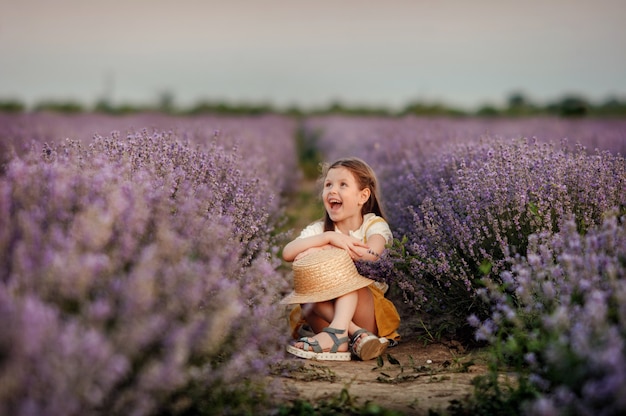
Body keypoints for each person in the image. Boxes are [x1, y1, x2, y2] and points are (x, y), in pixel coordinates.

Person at [281, 157, 401, 361]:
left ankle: (343, 334)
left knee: (345, 275)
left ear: (362, 196)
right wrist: (328, 237)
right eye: (328, 185)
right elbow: (288, 253)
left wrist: (328, 250)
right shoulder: (321, 230)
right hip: (326, 316)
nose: (332, 191)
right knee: (307, 281)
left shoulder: (373, 225)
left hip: (367, 312)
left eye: (342, 185)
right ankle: (352, 336)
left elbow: (372, 255)